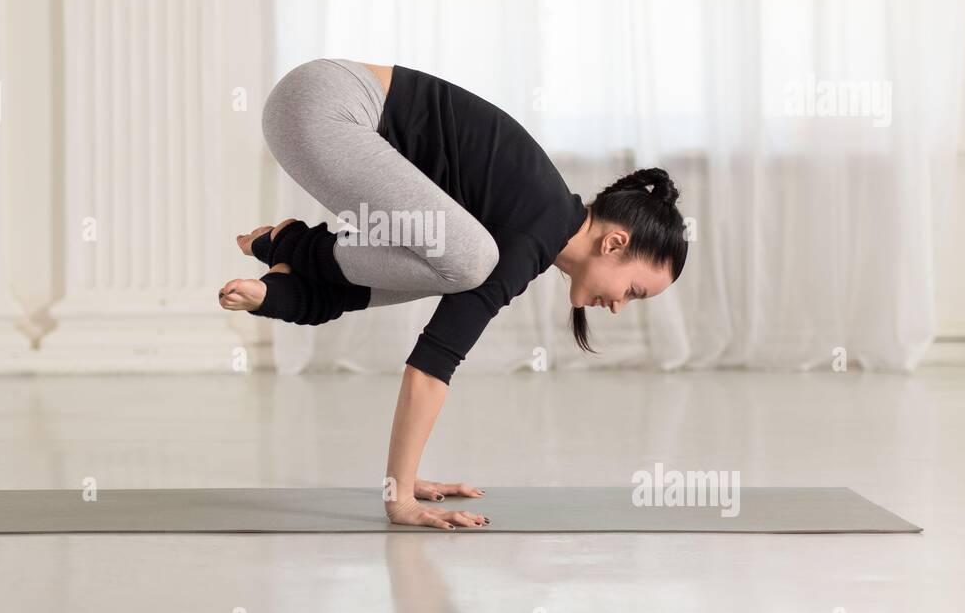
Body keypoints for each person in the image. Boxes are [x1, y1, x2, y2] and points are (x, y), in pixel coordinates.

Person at [219, 59, 687, 530]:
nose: (619, 305)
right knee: (469, 261)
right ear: (614, 243)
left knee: (451, 264)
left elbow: (413, 297)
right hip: (327, 104)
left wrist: (405, 478)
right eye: (632, 291)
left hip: (316, 106)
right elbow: (431, 366)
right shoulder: (531, 234)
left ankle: (291, 287)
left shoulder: (537, 227)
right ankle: (294, 249)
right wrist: (399, 498)